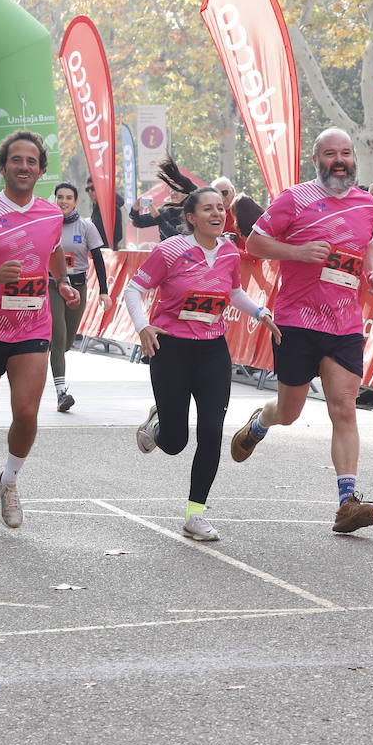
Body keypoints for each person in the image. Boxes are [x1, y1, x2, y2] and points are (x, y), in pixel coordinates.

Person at [228, 128, 373, 534]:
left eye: (346, 153)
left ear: (354, 159)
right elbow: (257, 243)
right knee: (290, 411)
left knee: (344, 406)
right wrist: (296, 252)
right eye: (331, 153)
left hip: (345, 321)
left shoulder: (366, 201)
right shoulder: (294, 199)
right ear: (316, 159)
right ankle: (261, 423)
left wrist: (372, 272)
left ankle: (347, 502)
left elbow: (366, 242)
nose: (340, 160)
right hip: (297, 319)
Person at [127, 187, 280, 541]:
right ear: (192, 218)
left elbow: (234, 292)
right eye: (208, 209)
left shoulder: (229, 251)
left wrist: (260, 312)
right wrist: (142, 326)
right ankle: (159, 425)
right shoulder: (170, 251)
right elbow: (134, 290)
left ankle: (195, 514)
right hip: (171, 350)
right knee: (176, 441)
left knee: (211, 432)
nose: (218, 214)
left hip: (212, 350)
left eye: (221, 208)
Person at [0, 130, 79, 529]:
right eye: (16, 160)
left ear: (41, 170)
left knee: (26, 412)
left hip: (31, 326)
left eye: (32, 161)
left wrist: (61, 282)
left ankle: (8, 481)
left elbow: (53, 252)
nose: (24, 166)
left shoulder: (51, 213)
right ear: (3, 167)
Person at [50, 182, 111, 412]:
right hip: (53, 285)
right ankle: (61, 393)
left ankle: (46, 350)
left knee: (65, 343)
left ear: (75, 201)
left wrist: (104, 292)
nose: (63, 201)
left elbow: (98, 260)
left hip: (77, 287)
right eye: (59, 197)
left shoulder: (86, 226)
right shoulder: (48, 224)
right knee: (58, 338)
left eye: (68, 197)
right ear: (54, 199)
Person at [130, 159, 195, 241]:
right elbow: (138, 222)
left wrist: (158, 218)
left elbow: (176, 238)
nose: (173, 193)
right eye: (171, 190)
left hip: (185, 252)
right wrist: (135, 209)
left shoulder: (193, 214)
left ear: (188, 193)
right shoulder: (166, 211)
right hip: (165, 251)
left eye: (177, 190)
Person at [86, 176, 125, 250]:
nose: (90, 192)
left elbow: (118, 235)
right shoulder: (97, 206)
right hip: (99, 251)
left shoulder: (112, 206)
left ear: (102, 188)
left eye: (93, 188)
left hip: (108, 253)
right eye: (88, 189)